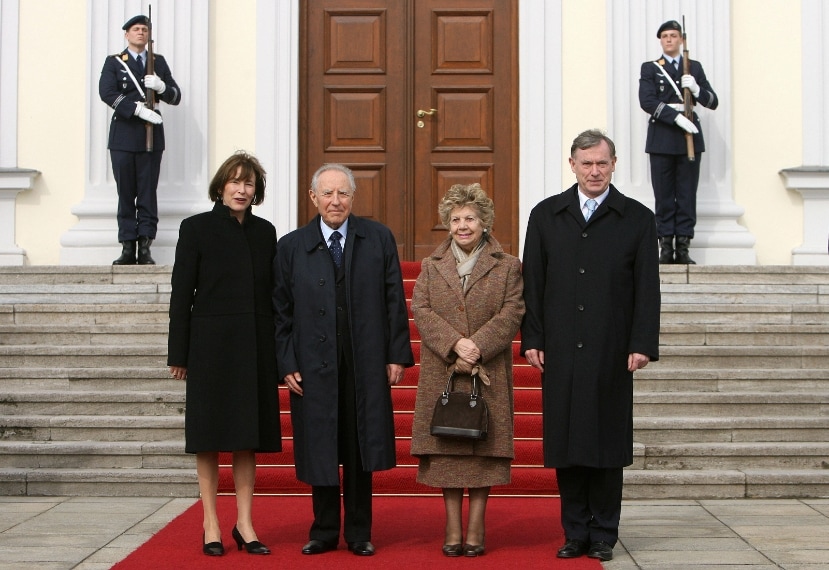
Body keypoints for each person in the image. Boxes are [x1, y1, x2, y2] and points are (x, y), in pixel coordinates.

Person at [520, 130, 661, 562]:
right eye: (586, 163)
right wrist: (533, 338)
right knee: (567, 444)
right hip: (560, 348)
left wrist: (642, 342)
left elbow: (646, 288)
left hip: (611, 348)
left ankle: (604, 532)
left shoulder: (636, 218)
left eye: (602, 163)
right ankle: (574, 531)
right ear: (572, 165)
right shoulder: (546, 215)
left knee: (605, 444)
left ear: (614, 164)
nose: (594, 171)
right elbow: (534, 284)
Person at [273, 163, 414, 557]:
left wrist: (396, 354)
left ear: (353, 197)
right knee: (320, 445)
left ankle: (358, 532)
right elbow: (280, 311)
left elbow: (393, 301)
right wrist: (286, 361)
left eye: (344, 194)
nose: (336, 201)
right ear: (313, 198)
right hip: (312, 364)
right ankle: (323, 530)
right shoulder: (291, 246)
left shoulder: (378, 238)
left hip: (363, 361)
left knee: (358, 446)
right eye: (328, 194)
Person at [167, 152, 280, 557]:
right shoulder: (195, 228)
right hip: (210, 347)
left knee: (247, 438)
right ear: (221, 186)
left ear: (256, 190)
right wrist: (178, 353)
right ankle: (211, 521)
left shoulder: (266, 233)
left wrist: (280, 354)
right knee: (209, 438)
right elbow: (182, 294)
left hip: (255, 345)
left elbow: (274, 296)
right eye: (234, 181)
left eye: (248, 183)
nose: (242, 189)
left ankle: (245, 523)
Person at [409, 183, 524, 558]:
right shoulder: (431, 265)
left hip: (485, 370)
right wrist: (455, 346)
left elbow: (512, 312)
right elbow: (422, 310)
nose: (463, 225)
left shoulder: (507, 266)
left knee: (481, 451)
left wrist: (477, 347)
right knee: (447, 452)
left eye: (470, 218)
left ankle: (476, 527)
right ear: (447, 223)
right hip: (444, 371)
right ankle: (452, 527)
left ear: (484, 222)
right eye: (456, 219)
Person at [99, 14, 182, 265]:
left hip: (150, 136)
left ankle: (145, 246)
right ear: (127, 34)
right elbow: (106, 92)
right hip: (124, 135)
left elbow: (175, 96)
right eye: (136, 29)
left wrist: (160, 87)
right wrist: (135, 109)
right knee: (126, 193)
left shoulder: (158, 62)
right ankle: (127, 247)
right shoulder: (115, 62)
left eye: (144, 30)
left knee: (147, 193)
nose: (140, 33)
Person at [639, 19, 718, 264]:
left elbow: (712, 101)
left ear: (681, 39)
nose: (669, 40)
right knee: (663, 195)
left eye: (673, 35)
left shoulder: (693, 67)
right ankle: (665, 246)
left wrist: (695, 90)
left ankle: (683, 246)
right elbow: (647, 101)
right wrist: (676, 118)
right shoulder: (651, 68)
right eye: (665, 36)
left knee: (686, 194)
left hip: (689, 139)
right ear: (660, 41)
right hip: (663, 137)